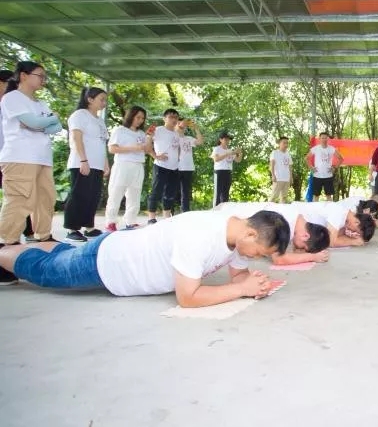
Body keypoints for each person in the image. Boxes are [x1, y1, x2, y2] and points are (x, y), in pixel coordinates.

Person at [0, 210, 293, 307]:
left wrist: (253, 284)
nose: (257, 259)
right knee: (44, 269)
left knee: (61, 254)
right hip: (109, 263)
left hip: (115, 250)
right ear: (251, 234)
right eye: (260, 253)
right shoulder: (202, 234)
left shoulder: (237, 236)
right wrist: (241, 290)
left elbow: (239, 275)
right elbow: (188, 297)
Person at [0, 62, 61, 256]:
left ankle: (44, 237)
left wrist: (40, 123)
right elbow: (35, 122)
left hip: (43, 158)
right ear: (23, 76)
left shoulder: (40, 103)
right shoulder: (13, 98)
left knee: (46, 199)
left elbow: (56, 127)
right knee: (20, 200)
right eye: (40, 75)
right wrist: (47, 120)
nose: (43, 80)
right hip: (19, 156)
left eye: (44, 76)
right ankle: (7, 243)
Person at [214, 202, 331, 264]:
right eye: (303, 248)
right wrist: (312, 257)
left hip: (226, 212)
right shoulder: (285, 224)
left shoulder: (294, 215)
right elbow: (279, 259)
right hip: (220, 222)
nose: (299, 250)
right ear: (305, 236)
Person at [63, 87, 110, 242]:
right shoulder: (79, 115)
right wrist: (83, 160)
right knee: (79, 195)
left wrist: (105, 164)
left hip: (97, 164)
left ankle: (89, 227)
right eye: (101, 99)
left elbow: (102, 143)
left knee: (93, 196)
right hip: (81, 162)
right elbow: (76, 138)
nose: (104, 102)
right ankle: (71, 229)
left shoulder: (100, 120)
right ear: (90, 99)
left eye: (105, 100)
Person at [0, 70, 34, 244]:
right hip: (7, 155)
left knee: (20, 195)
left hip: (13, 155)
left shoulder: (17, 104)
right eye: (9, 83)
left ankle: (27, 232)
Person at [105, 106, 151, 231]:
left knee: (135, 194)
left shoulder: (141, 133)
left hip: (138, 165)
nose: (140, 120)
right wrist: (133, 148)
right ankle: (110, 221)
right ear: (131, 116)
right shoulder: (120, 130)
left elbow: (147, 150)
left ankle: (131, 221)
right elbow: (112, 149)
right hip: (123, 164)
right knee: (116, 192)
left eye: (142, 118)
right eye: (138, 117)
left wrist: (149, 137)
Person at [147, 108, 181, 224]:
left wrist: (178, 159)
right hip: (160, 166)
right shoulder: (157, 130)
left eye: (176, 117)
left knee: (170, 192)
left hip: (174, 168)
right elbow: (147, 144)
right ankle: (151, 217)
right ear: (164, 118)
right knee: (156, 191)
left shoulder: (177, 133)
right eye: (171, 117)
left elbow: (177, 148)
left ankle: (167, 217)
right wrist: (155, 156)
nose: (174, 119)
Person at [175, 118, 204, 213]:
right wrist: (180, 124)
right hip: (175, 167)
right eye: (180, 123)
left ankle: (185, 212)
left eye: (185, 125)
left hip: (188, 168)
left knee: (186, 192)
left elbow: (200, 142)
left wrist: (196, 129)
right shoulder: (173, 136)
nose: (183, 125)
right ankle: (170, 211)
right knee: (172, 190)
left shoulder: (188, 138)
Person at [306, 132, 343, 202]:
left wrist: (334, 168)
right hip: (317, 176)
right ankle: (314, 209)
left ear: (328, 139)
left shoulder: (332, 149)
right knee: (315, 195)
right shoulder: (315, 148)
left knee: (329, 196)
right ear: (320, 139)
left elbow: (341, 159)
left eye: (325, 138)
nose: (324, 139)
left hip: (328, 176)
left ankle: (329, 209)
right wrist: (311, 167)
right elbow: (307, 158)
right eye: (322, 138)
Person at [211, 130, 242, 206]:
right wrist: (227, 154)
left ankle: (224, 209)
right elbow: (216, 159)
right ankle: (215, 209)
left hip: (228, 172)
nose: (227, 141)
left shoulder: (230, 150)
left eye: (228, 139)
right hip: (219, 172)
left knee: (225, 192)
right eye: (225, 139)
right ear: (220, 140)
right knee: (218, 192)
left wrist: (240, 153)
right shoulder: (217, 149)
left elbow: (238, 160)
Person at [269, 136, 293, 203]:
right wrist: (273, 175)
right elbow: (272, 165)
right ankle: (268, 209)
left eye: (287, 143)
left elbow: (290, 166)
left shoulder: (288, 154)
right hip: (278, 178)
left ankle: (282, 209)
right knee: (274, 197)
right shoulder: (275, 152)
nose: (286, 144)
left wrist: (291, 177)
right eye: (284, 143)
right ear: (279, 143)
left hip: (287, 178)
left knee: (284, 198)